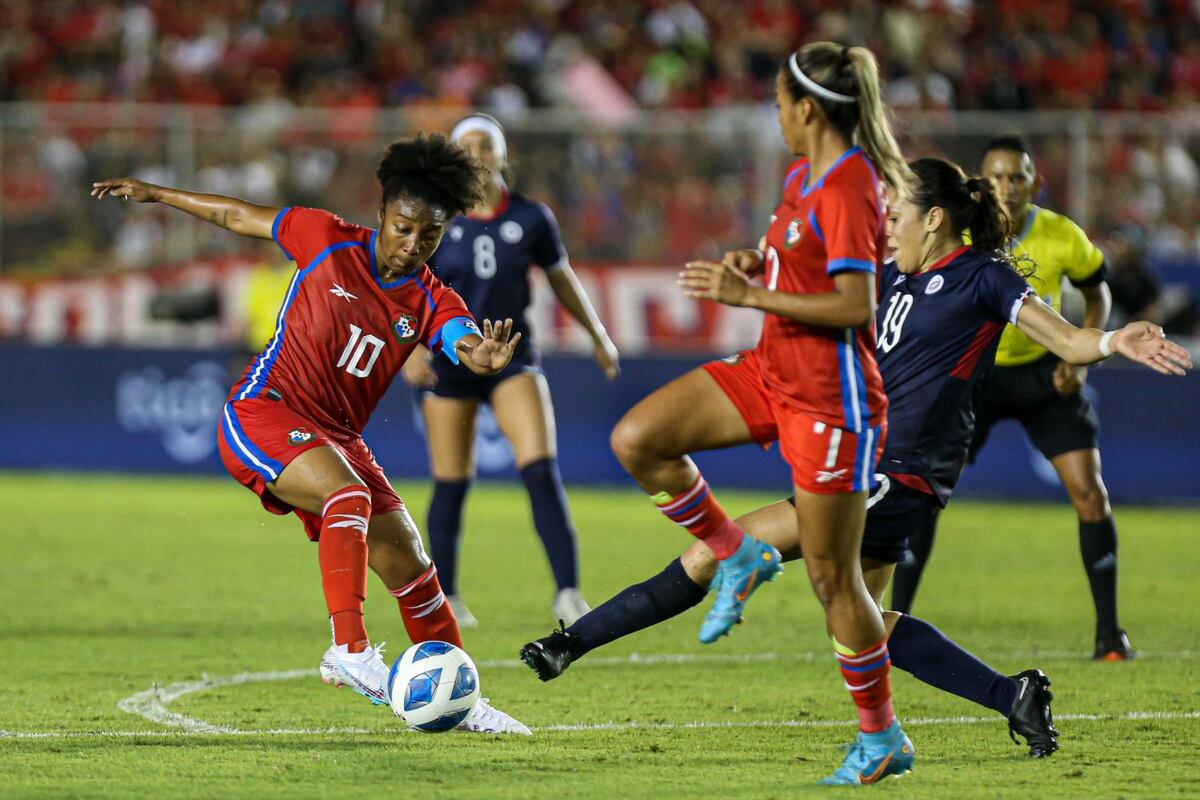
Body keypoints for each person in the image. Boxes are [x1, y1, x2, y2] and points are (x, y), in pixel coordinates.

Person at [521, 158, 1191, 760]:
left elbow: (1067, 339)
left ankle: (569, 644)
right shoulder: (891, 273)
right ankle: (1011, 693)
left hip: (896, 472)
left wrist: (1115, 341)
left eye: (897, 213)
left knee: (720, 552)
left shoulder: (982, 278)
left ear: (935, 219)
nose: (887, 223)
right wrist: (762, 265)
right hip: (869, 459)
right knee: (864, 622)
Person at [91, 134, 531, 734]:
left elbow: (468, 346)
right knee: (347, 495)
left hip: (337, 437)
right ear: (381, 213)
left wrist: (489, 357)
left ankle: (462, 700)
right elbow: (235, 214)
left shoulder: (431, 297)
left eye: (428, 236)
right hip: (263, 412)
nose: (411, 245)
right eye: (403, 228)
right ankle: (348, 651)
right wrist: (156, 193)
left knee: (414, 567)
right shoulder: (325, 239)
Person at [600, 43, 914, 785]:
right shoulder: (803, 174)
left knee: (837, 583)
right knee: (639, 438)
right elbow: (801, 267)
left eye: (778, 104)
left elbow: (854, 304)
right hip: (772, 371)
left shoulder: (848, 185)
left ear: (806, 109)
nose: (775, 116)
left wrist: (749, 297)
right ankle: (734, 551)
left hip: (832, 403)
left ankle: (882, 737)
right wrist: (758, 264)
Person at [889, 136, 1134, 661]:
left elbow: (1098, 291)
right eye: (996, 178)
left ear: (1033, 183)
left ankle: (1110, 634)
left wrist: (1081, 351)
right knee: (918, 498)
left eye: (1016, 178)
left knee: (1089, 492)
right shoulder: (965, 239)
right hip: (974, 380)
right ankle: (896, 616)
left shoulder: (1060, 234)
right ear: (980, 184)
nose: (1006, 187)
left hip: (1045, 378)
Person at [401, 113, 619, 627]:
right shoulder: (436, 217)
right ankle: (447, 597)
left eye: (486, 145)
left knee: (540, 470)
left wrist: (598, 335)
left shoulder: (533, 217)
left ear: (502, 156)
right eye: (468, 145)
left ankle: (568, 593)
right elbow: (406, 288)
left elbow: (562, 280)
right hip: (450, 357)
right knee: (450, 481)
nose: (477, 153)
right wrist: (408, 348)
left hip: (512, 356)